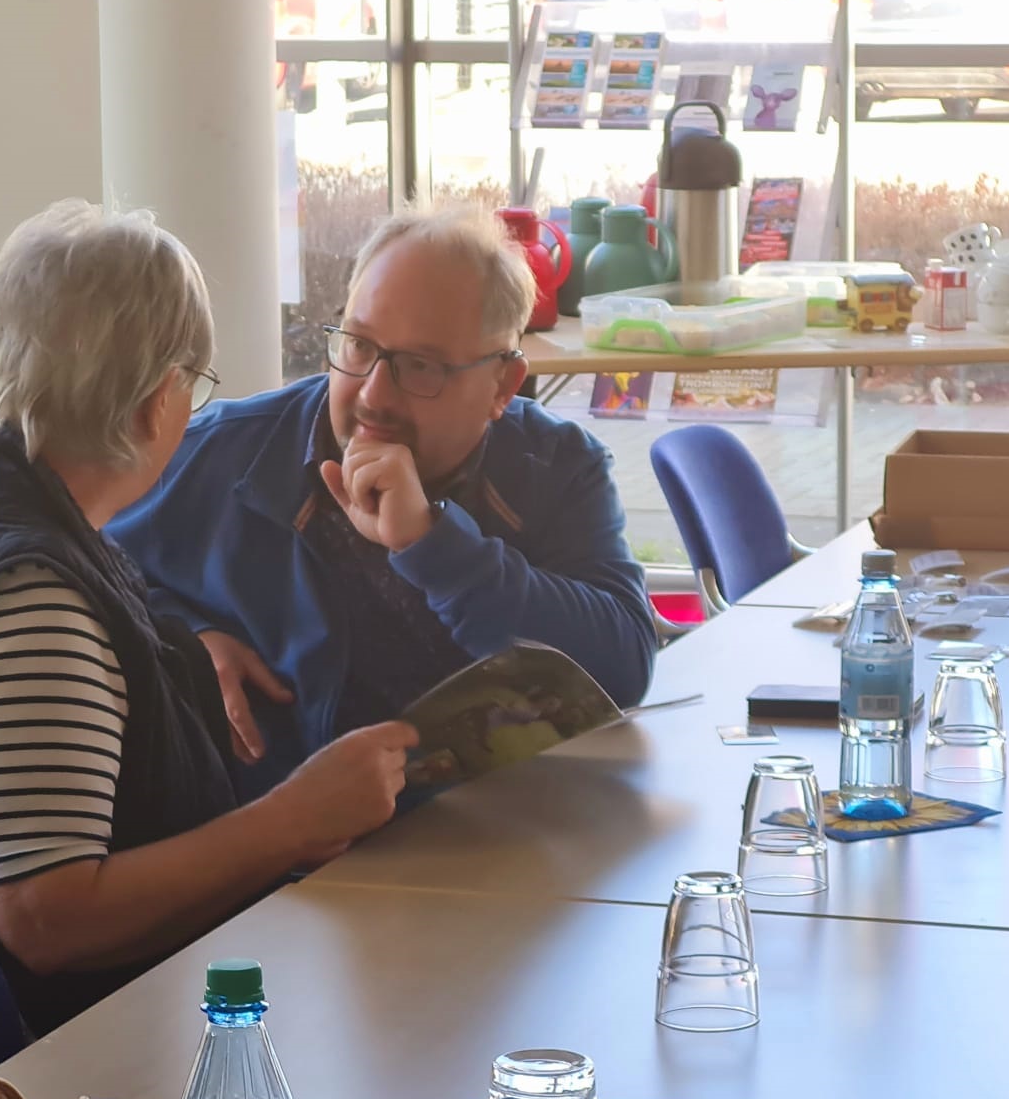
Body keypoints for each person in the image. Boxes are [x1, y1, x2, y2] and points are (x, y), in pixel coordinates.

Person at [0, 201, 416, 1036]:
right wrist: (294, 821)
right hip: (14, 1058)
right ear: (155, 402)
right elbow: (47, 920)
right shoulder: (28, 599)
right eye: (193, 383)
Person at [108, 205, 658, 800]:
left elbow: (622, 670)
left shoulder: (556, 468)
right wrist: (182, 636)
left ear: (501, 385)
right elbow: (78, 565)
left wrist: (434, 546)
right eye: (358, 345)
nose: (373, 395)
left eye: (420, 367)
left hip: (505, 829)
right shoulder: (221, 453)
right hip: (279, 843)